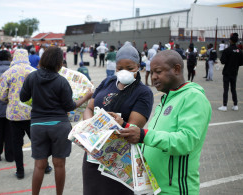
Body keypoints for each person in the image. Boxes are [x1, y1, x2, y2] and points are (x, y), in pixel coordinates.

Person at [120, 50, 211, 194]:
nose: (153, 77)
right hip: (154, 187)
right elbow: (156, 135)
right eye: (152, 72)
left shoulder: (193, 97)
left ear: (176, 69)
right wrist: (123, 125)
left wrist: (143, 136)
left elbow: (186, 141)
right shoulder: (166, 98)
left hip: (174, 190)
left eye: (158, 72)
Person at [82, 42, 154, 195]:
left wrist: (121, 124)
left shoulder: (143, 92)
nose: (124, 72)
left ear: (139, 67)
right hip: (93, 155)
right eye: (120, 68)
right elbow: (89, 108)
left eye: (130, 68)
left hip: (118, 160)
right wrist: (88, 126)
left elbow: (133, 127)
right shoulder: (107, 82)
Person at [19, 46, 93, 195]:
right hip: (59, 126)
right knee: (59, 165)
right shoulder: (61, 81)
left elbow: (23, 98)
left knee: (39, 165)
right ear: (59, 63)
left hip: (38, 125)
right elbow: (69, 106)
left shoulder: (32, 77)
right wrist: (86, 97)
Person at [0, 49, 45, 179]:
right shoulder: (35, 72)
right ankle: (44, 166)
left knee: (17, 144)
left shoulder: (8, 73)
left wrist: (10, 99)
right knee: (36, 141)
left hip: (14, 115)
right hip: (32, 114)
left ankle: (20, 171)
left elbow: (1, 94)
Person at [218, 33, 243, 111]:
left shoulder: (227, 50)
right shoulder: (239, 51)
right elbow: (241, 62)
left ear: (230, 41)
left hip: (227, 72)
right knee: (233, 89)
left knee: (226, 89)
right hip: (234, 72)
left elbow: (223, 61)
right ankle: (235, 105)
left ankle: (224, 105)